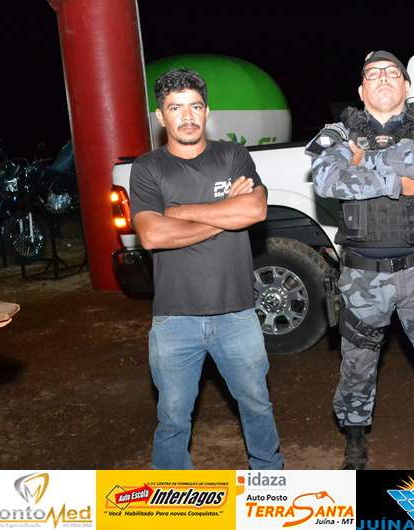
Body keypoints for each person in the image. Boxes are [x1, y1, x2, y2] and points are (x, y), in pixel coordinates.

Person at [306, 50, 414, 470]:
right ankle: (354, 445)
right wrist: (396, 182)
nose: (382, 78)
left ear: (405, 85)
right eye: (373, 74)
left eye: (391, 72)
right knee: (357, 365)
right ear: (361, 89)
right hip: (362, 277)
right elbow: (328, 179)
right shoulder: (338, 132)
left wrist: (363, 160)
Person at [130, 68, 284, 470]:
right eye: (175, 108)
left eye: (195, 106)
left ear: (207, 111)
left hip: (237, 313)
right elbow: (152, 235)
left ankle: (270, 482)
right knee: (173, 418)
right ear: (161, 116)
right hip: (174, 319)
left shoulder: (232, 156)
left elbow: (255, 210)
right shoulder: (148, 167)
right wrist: (224, 214)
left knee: (257, 405)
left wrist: (178, 212)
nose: (187, 116)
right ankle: (174, 491)